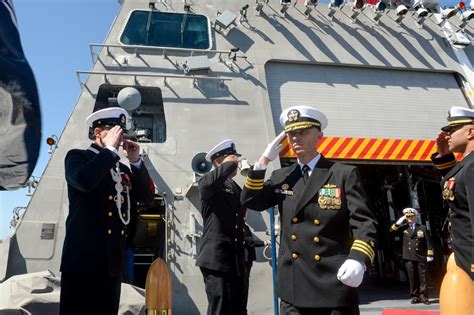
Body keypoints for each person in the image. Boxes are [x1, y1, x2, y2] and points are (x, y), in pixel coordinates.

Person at [241, 106, 378, 315]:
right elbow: (252, 201)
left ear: (319, 135)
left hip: (333, 283)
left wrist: (358, 258)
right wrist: (262, 162)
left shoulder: (342, 174)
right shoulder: (282, 176)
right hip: (294, 287)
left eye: (302, 132)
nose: (296, 138)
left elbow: (364, 222)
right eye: (291, 134)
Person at [60, 107, 153, 315]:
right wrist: (109, 150)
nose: (119, 138)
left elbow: (146, 197)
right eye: (113, 131)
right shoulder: (77, 157)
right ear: (97, 133)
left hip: (112, 263)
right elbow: (83, 181)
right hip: (83, 262)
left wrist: (136, 161)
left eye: (121, 133)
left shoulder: (123, 169)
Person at [431, 106, 474, 313]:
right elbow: (456, 189)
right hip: (463, 253)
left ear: (471, 132)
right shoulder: (467, 165)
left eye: (452, 130)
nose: (446, 135)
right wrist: (444, 156)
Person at [196, 139, 247, 315]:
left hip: (235, 259)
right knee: (221, 308)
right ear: (218, 162)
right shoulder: (209, 183)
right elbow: (206, 186)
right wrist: (225, 167)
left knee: (238, 308)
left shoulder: (235, 187)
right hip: (216, 258)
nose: (236, 163)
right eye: (232, 159)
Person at [390, 207, 433, 305]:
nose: (410, 219)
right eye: (407, 217)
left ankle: (424, 297)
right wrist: (398, 223)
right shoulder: (403, 228)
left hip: (421, 256)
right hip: (409, 256)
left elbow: (429, 241)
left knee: (423, 278)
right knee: (412, 278)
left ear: (415, 217)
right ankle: (415, 296)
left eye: (411, 217)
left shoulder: (422, 227)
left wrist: (430, 253)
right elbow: (391, 232)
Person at [242, 222, 270, 314]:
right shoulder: (239, 224)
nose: (246, 213)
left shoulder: (244, 225)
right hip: (243, 260)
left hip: (247, 260)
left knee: (245, 286)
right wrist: (264, 242)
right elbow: (248, 240)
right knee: (243, 287)